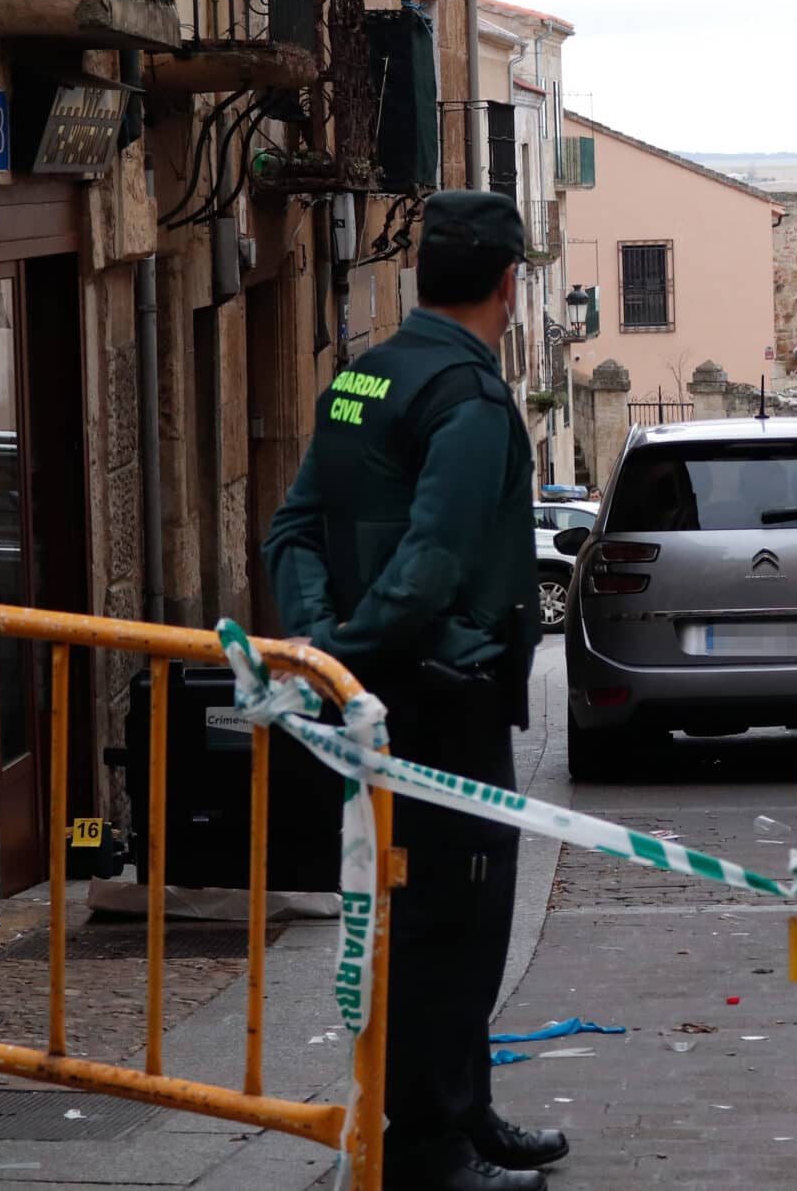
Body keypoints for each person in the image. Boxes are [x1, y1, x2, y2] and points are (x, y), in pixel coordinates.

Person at [263, 191, 564, 1191]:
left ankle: (463, 1114)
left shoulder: (362, 376)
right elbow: (434, 558)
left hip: (373, 699)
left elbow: (293, 529)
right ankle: (432, 1149)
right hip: (442, 700)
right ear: (509, 284)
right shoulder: (468, 402)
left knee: (422, 918)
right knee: (454, 925)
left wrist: (322, 653)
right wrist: (351, 649)